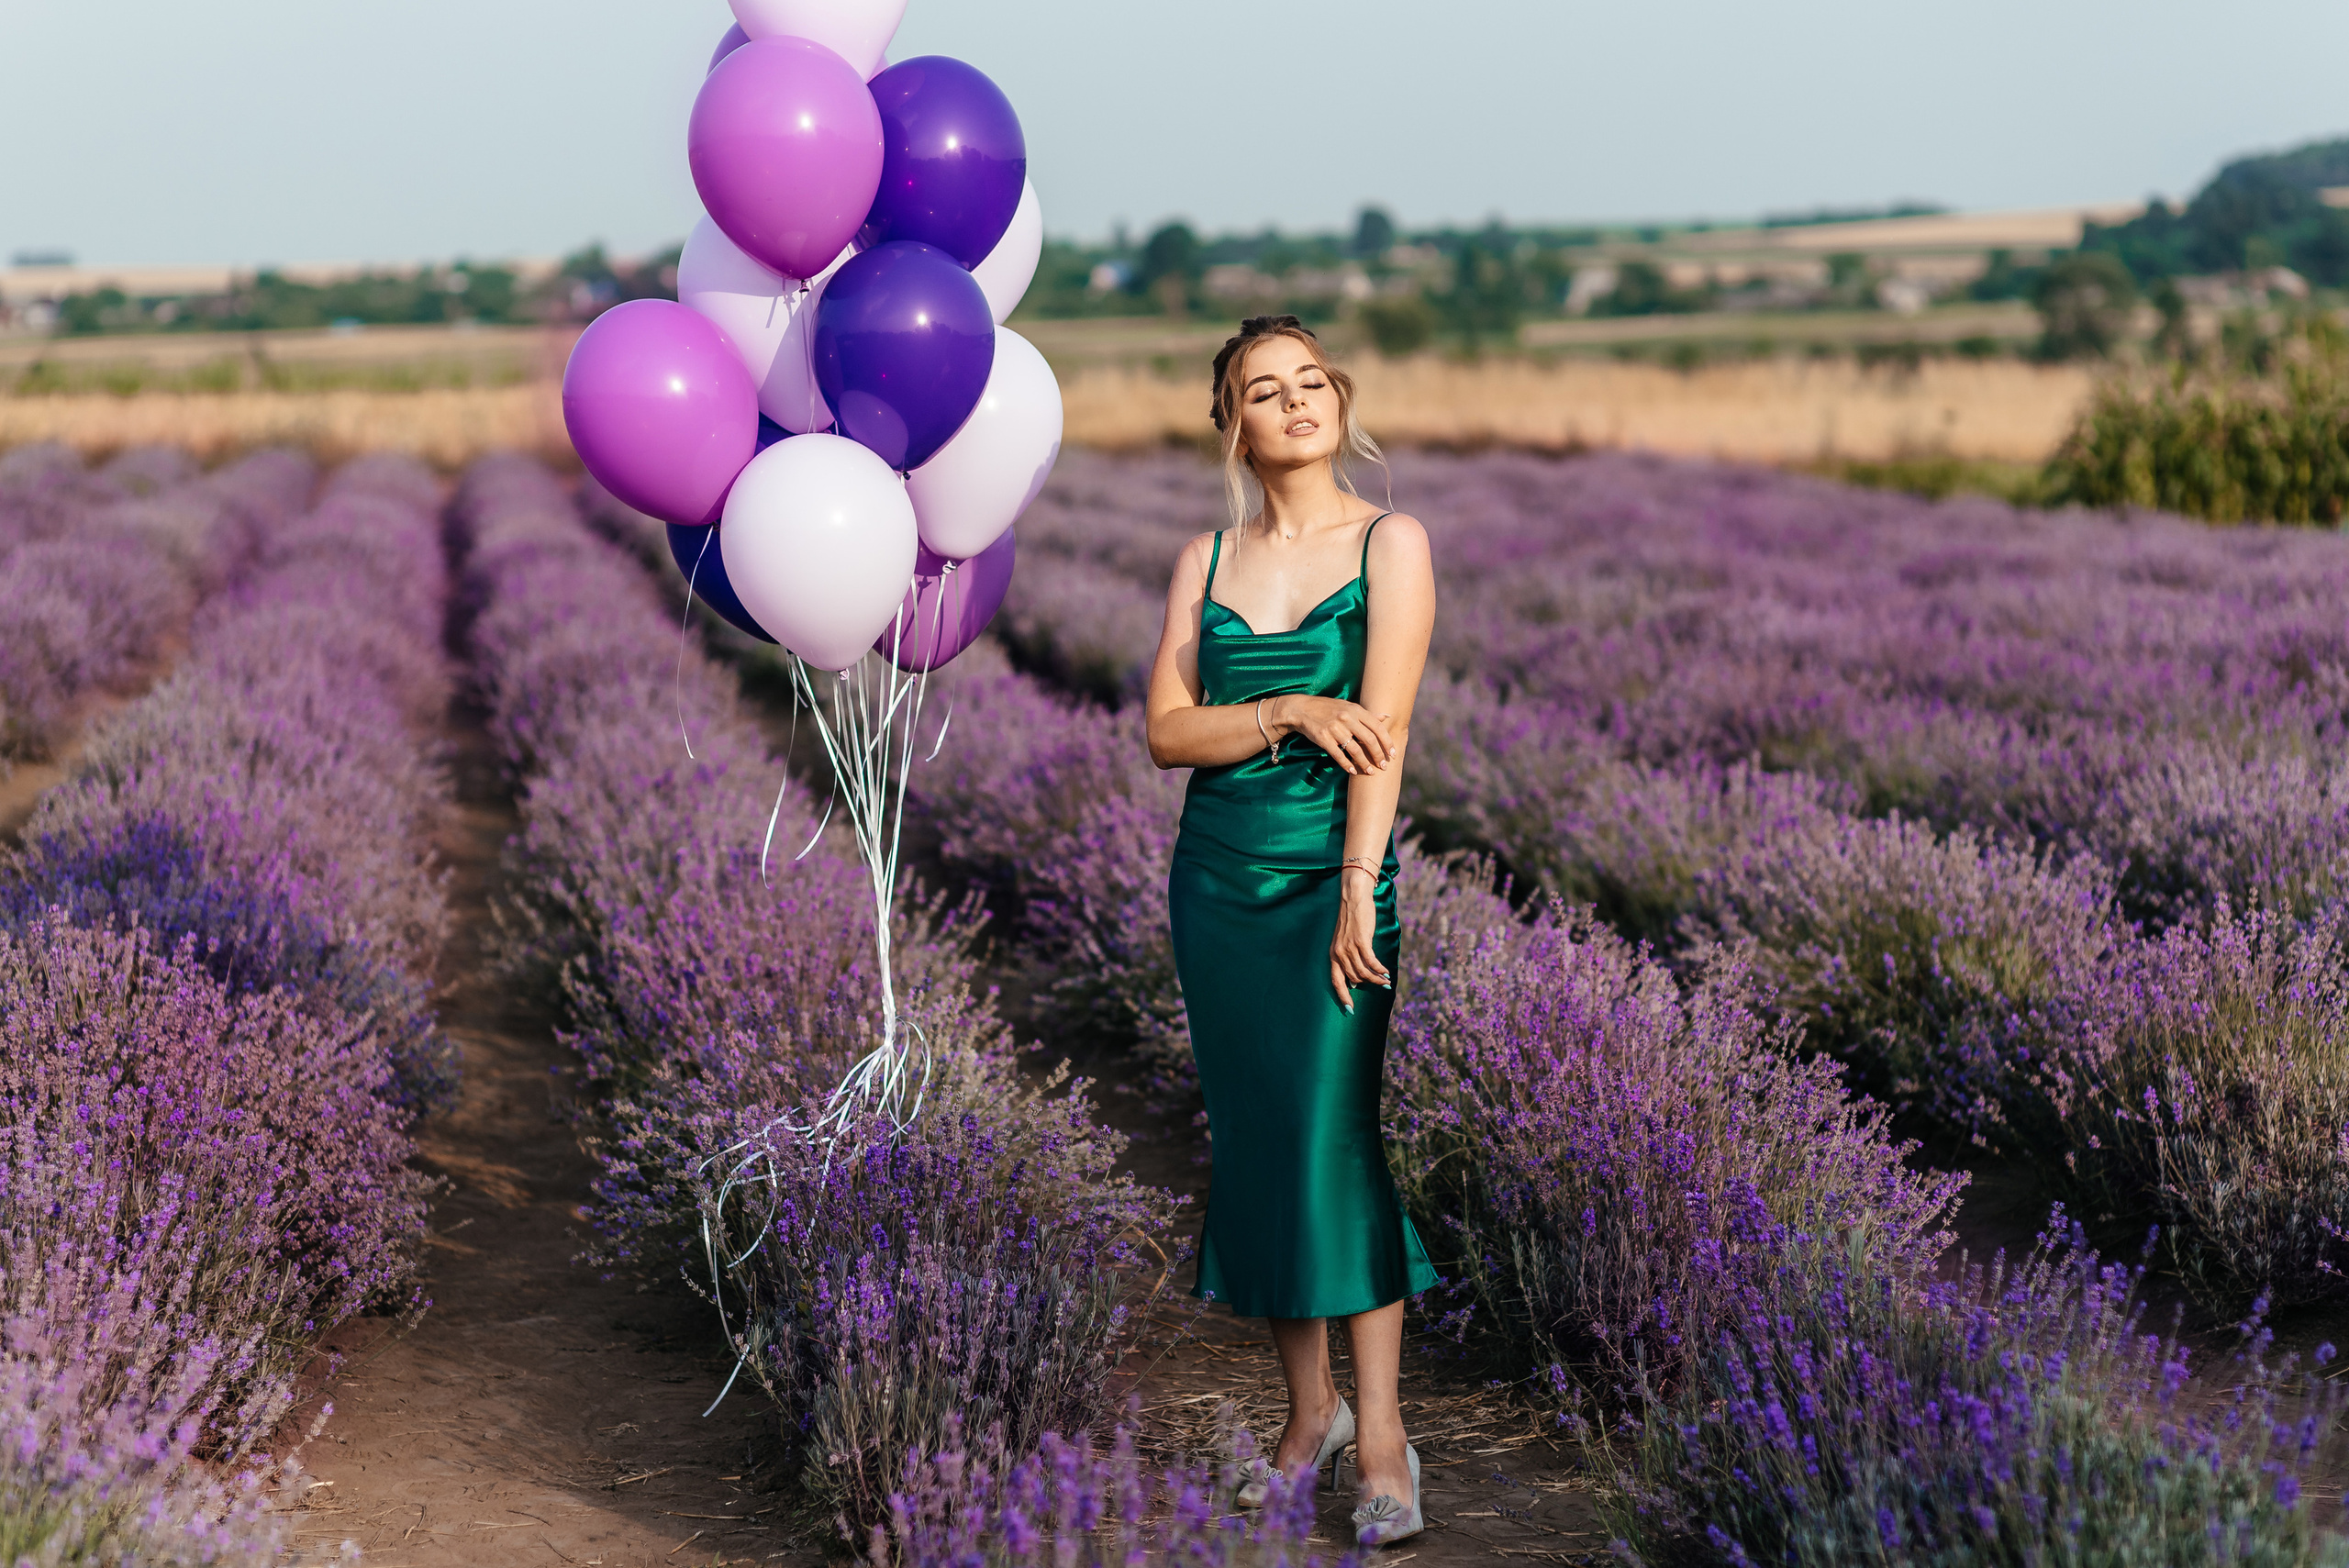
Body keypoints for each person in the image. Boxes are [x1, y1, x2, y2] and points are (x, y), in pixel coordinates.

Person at [1143, 314, 1439, 1549]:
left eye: (1311, 380)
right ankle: (1307, 1412)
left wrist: (1360, 883)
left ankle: (1383, 1439)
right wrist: (1286, 710)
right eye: (1266, 390)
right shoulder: (1204, 557)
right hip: (1219, 883)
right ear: (1236, 426)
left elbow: (1387, 730)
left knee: (1335, 1142)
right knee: (1263, 1147)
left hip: (1332, 874)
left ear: (1338, 399)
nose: (1296, 401)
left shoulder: (1390, 541)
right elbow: (1168, 732)